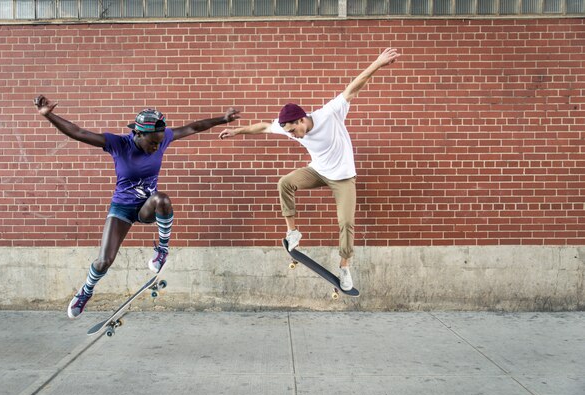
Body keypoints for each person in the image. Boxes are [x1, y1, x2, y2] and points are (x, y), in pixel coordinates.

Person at [34, 95, 240, 318]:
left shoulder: (162, 138)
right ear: (138, 134)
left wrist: (223, 119)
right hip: (121, 209)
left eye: (160, 143)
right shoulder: (118, 144)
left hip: (146, 207)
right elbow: (79, 132)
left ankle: (162, 251)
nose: (156, 147)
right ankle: (86, 291)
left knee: (162, 199)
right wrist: (49, 116)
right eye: (152, 143)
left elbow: (193, 127)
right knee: (104, 261)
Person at [218, 47, 400, 291]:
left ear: (302, 120)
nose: (293, 136)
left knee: (346, 222)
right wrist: (236, 131)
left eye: (294, 130)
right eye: (289, 132)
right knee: (285, 182)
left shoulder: (330, 113)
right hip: (318, 171)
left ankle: (345, 268)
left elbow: (354, 86)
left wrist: (378, 63)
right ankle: (293, 232)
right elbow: (262, 127)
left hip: (343, 178)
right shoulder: (288, 127)